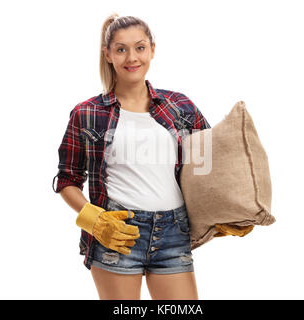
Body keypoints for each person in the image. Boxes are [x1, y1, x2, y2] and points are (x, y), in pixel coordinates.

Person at [52, 13, 211, 300]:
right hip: (118, 233)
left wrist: (228, 211)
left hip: (174, 233)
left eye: (139, 47)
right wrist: (96, 221)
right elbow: (67, 180)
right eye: (121, 49)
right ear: (108, 54)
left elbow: (210, 165)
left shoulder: (181, 106)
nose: (131, 57)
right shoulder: (86, 113)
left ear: (152, 49)